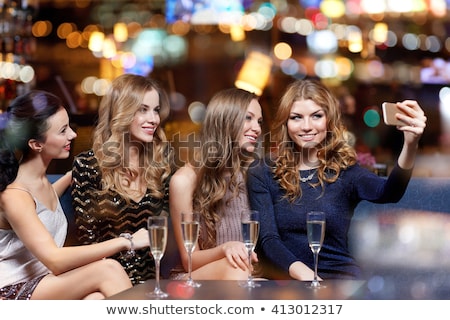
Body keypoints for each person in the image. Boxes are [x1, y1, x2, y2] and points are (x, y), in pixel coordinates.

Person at [246, 79, 427, 280]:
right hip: (287, 283)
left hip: (339, 279)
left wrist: (410, 145)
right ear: (286, 124)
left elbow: (390, 192)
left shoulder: (345, 170)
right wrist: (309, 278)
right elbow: (269, 240)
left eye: (316, 116)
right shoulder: (263, 171)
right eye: (296, 117)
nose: (306, 126)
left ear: (329, 120)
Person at [0, 90, 149, 300]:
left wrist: (98, 165)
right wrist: (127, 241)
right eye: (63, 131)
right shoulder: (15, 196)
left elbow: (56, 192)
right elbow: (55, 259)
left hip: (44, 284)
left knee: (96, 300)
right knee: (108, 269)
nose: (73, 135)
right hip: (11, 292)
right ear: (36, 144)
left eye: (69, 126)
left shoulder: (42, 185)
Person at [71, 74, 173, 285]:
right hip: (103, 279)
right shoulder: (88, 165)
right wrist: (127, 242)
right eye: (142, 109)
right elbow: (86, 244)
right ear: (121, 111)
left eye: (155, 110)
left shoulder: (159, 166)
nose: (153, 119)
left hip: (151, 282)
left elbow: (171, 236)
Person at [169, 88, 263, 280]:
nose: (257, 128)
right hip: (194, 279)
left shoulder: (251, 173)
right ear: (225, 120)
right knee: (235, 269)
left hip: (242, 276)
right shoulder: (184, 180)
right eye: (248, 118)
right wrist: (225, 249)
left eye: (259, 121)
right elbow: (189, 260)